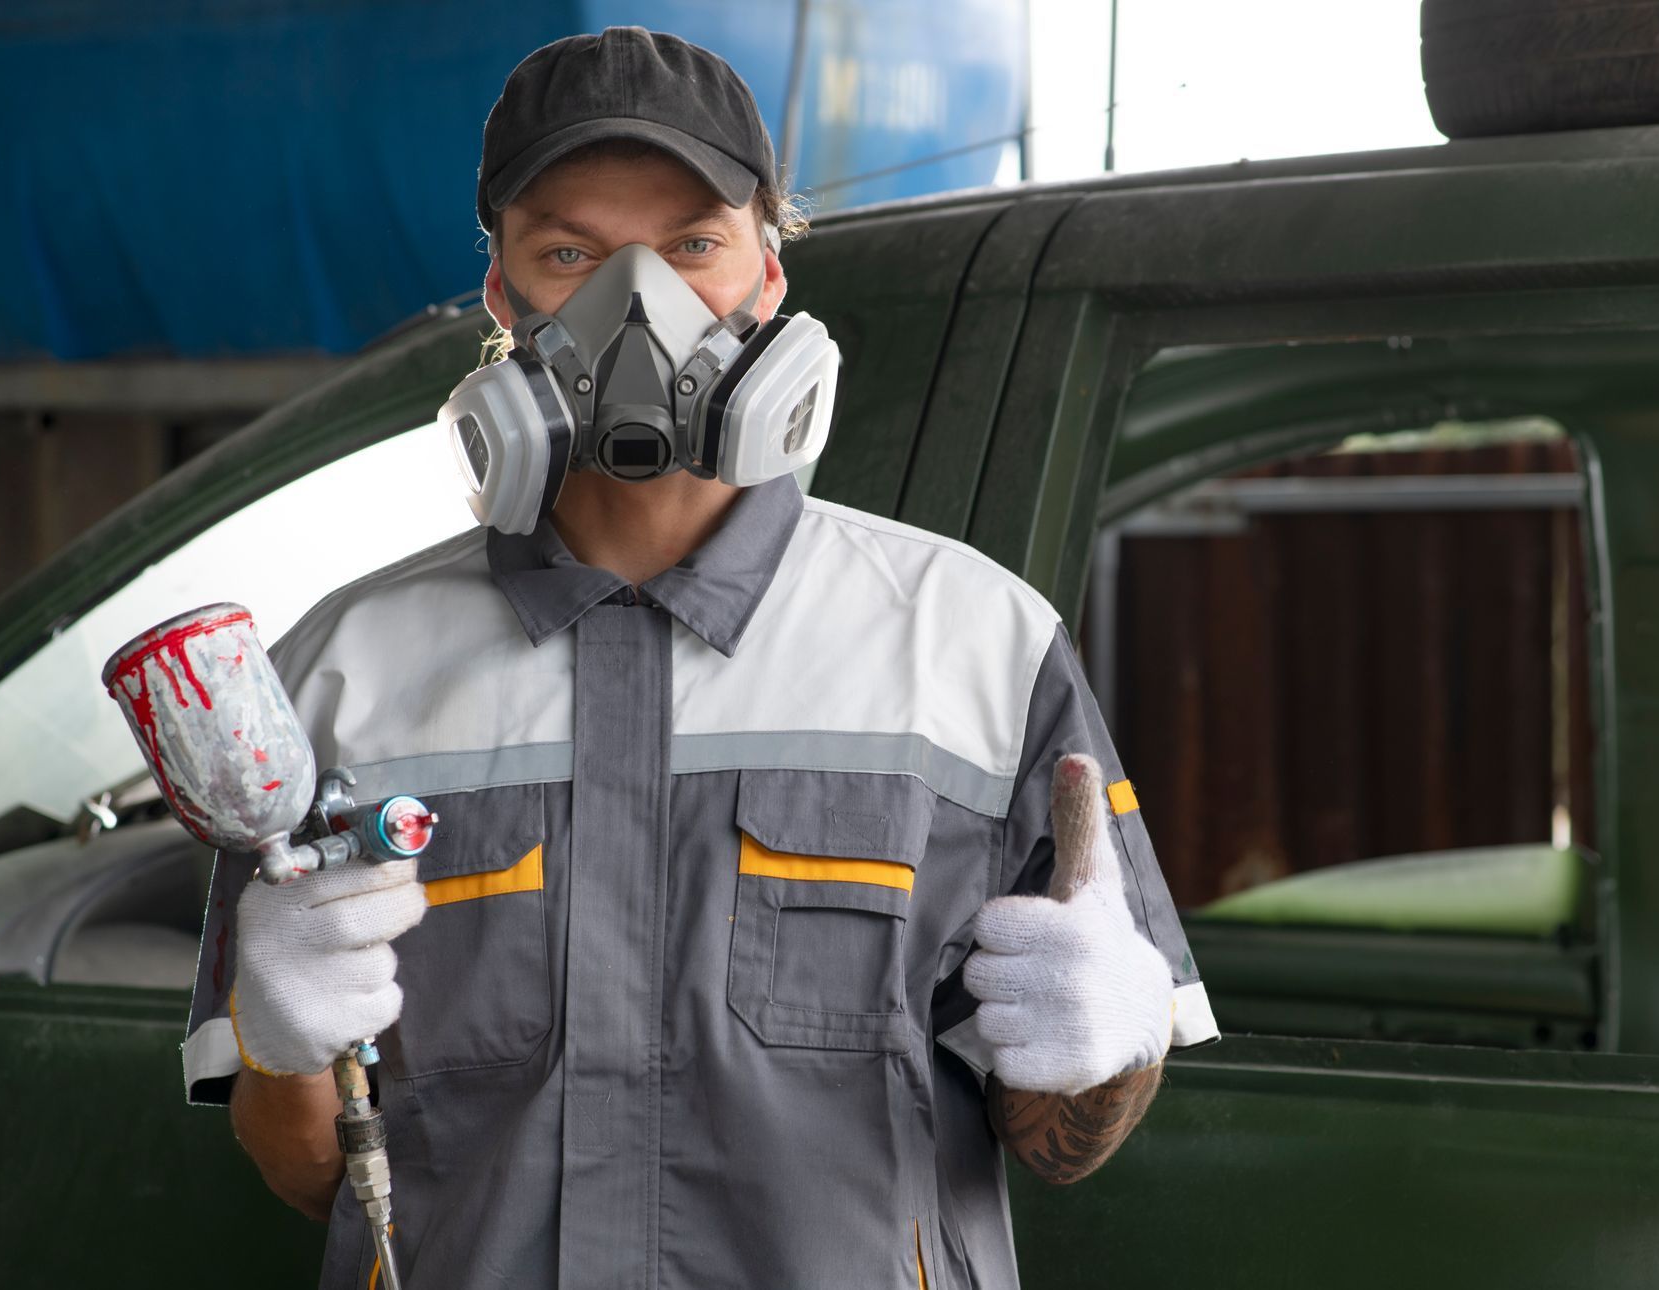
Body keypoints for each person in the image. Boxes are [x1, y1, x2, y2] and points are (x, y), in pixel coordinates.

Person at [182, 27, 1218, 1289]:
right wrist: (285, 1040)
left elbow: (1055, 1147)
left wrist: (1107, 1050)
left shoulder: (978, 645)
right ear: (502, 299)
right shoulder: (340, 676)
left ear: (768, 277)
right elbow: (311, 1176)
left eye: (691, 246)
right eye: (569, 252)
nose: (641, 304)